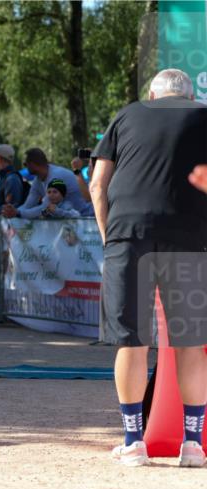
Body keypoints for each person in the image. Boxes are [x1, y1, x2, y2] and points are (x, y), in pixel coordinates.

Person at [88, 68, 207, 467]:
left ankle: (133, 442)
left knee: (132, 342)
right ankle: (193, 445)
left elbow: (97, 184)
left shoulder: (127, 115)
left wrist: (110, 239)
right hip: (191, 240)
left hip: (129, 236)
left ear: (152, 96)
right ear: (190, 97)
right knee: (190, 343)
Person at [4, 148, 93, 219]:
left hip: (86, 220)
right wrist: (13, 210)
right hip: (74, 220)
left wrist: (18, 213)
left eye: (25, 164)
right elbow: (28, 205)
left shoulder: (56, 176)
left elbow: (45, 208)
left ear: (32, 164)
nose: (25, 167)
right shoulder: (38, 180)